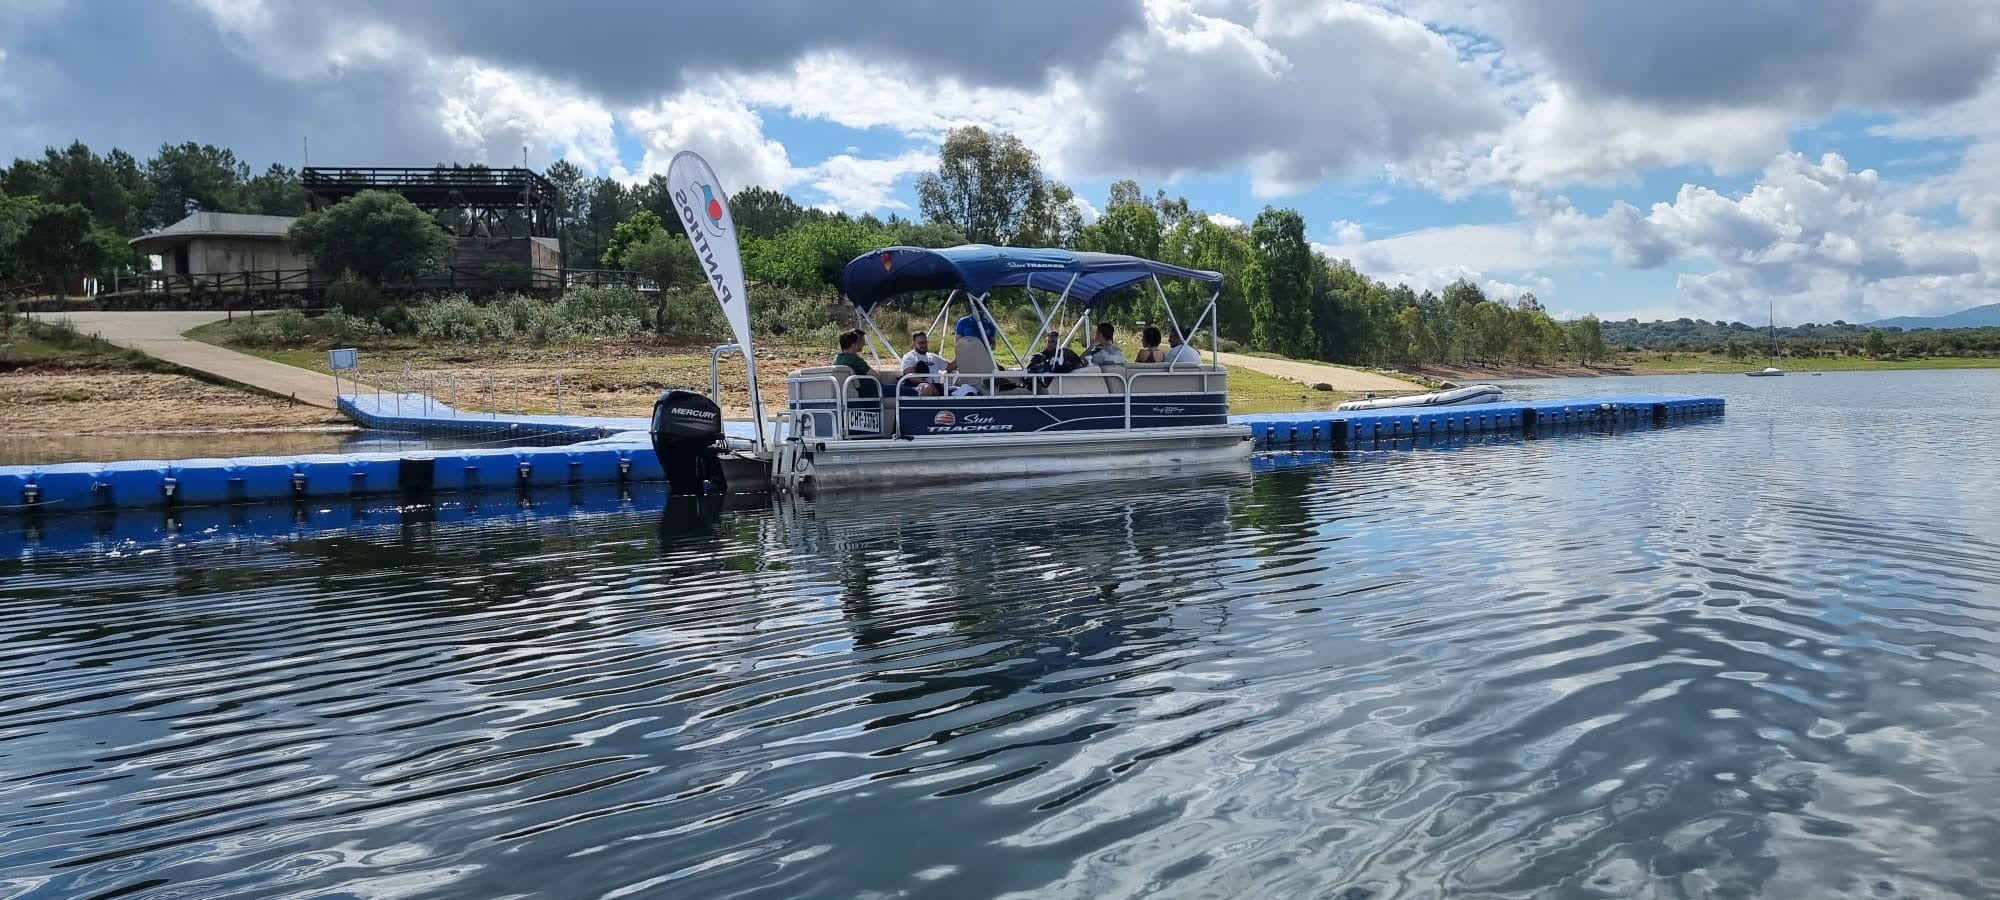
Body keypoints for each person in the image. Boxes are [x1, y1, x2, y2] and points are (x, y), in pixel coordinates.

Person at [899, 330, 956, 396]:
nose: (923, 345)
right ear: (913, 343)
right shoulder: (909, 357)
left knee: (964, 389)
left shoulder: (933, 357)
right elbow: (911, 376)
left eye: (925, 342)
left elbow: (951, 366)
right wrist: (930, 385)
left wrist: (961, 351)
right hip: (919, 385)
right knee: (927, 388)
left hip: (937, 386)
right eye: (920, 343)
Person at [833, 329, 881, 397]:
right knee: (899, 389)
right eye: (860, 342)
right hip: (868, 394)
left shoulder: (836, 360)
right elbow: (877, 376)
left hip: (846, 395)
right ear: (853, 345)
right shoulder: (855, 360)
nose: (864, 344)